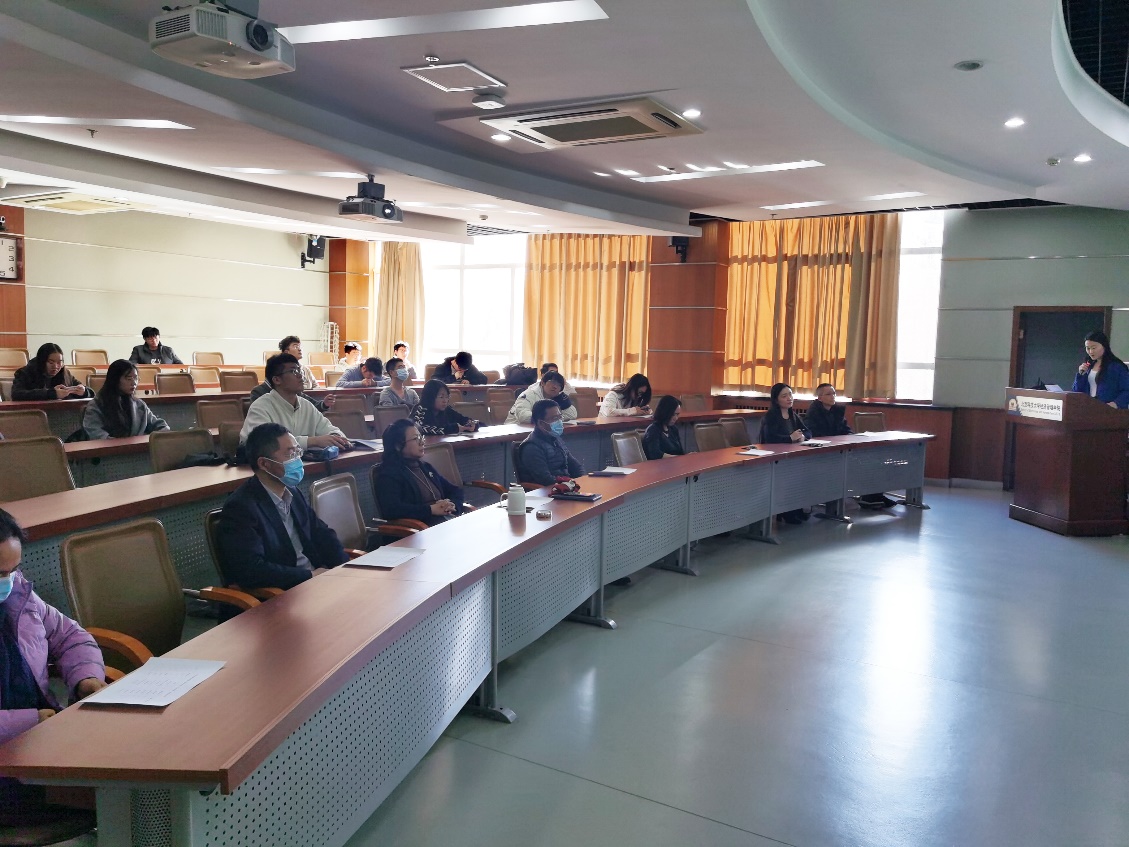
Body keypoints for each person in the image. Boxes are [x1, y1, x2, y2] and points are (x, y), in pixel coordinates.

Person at [0, 507, 106, 749]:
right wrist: (27, 721)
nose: (8, 582)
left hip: (41, 736)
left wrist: (86, 677)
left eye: (13, 571)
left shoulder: (19, 596)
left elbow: (70, 636)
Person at [215, 424, 347, 591]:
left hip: (315, 583)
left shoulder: (293, 492)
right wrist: (309, 576)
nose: (297, 460)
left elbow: (322, 534)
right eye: (290, 454)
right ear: (264, 464)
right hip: (283, 593)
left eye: (297, 452)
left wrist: (345, 570)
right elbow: (252, 570)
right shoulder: (241, 508)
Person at [807, 384, 894, 508]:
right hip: (825, 453)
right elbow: (815, 434)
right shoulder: (813, 413)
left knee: (873, 460)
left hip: (842, 449)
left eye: (834, 393)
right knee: (862, 463)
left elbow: (845, 429)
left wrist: (853, 437)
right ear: (820, 398)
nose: (833, 396)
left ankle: (873, 496)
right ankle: (868, 496)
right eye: (828, 394)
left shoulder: (837, 411)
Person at [240, 354, 351, 450]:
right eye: (293, 371)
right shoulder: (260, 407)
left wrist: (335, 437)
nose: (300, 375)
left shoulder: (306, 405)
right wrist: (313, 441)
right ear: (277, 380)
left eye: (299, 370)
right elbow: (265, 444)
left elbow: (330, 429)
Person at [373, 419, 466, 527]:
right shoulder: (389, 474)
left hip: (444, 523)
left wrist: (452, 505)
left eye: (421, 437)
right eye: (415, 439)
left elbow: (455, 490)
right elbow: (392, 510)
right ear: (398, 446)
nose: (422, 442)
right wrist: (430, 510)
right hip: (418, 531)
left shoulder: (425, 467)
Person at [760, 382, 811, 524]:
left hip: (791, 456)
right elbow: (769, 439)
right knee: (790, 476)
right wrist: (790, 438)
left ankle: (795, 509)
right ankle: (787, 511)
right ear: (776, 400)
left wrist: (803, 436)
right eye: (784, 396)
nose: (789, 398)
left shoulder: (793, 415)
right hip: (776, 458)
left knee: (801, 474)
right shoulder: (771, 416)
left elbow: (808, 431)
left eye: (790, 394)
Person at [82, 359, 170, 439]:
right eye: (129, 378)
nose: (134, 382)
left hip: (138, 449)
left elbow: (159, 425)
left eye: (136, 378)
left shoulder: (139, 404)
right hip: (109, 450)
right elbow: (95, 433)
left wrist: (158, 437)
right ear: (115, 379)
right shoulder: (96, 405)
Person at [516, 399, 584, 484]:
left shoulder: (556, 439)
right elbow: (545, 480)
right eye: (555, 418)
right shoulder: (531, 447)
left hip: (566, 486)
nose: (559, 421)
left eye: (560, 417)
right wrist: (570, 484)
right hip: (548, 490)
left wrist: (582, 481)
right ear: (541, 423)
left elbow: (576, 466)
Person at [11, 343, 90, 401]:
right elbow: (16, 394)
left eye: (59, 362)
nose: (55, 366)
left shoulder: (65, 373)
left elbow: (90, 391)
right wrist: (52, 394)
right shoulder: (25, 373)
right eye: (51, 362)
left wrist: (84, 392)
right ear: (42, 361)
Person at [1071, 330, 1129, 408]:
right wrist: (1081, 375)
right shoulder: (1088, 366)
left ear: (1104, 346)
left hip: (1110, 410)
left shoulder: (1116, 367)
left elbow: (1127, 390)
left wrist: (1115, 403)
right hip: (1089, 408)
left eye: (1094, 348)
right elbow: (1076, 392)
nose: (1091, 351)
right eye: (1088, 348)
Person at [506, 371, 577, 425]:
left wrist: (555, 418)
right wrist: (549, 418)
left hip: (539, 428)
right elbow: (523, 416)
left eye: (559, 385)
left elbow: (572, 414)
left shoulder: (558, 397)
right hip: (515, 428)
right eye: (552, 382)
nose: (555, 387)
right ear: (542, 383)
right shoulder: (529, 394)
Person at [412, 379, 479, 435]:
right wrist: (455, 428)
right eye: (441, 397)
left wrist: (471, 424)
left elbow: (463, 419)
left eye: (447, 397)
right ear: (430, 397)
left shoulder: (446, 410)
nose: (445, 401)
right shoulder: (420, 410)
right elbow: (421, 429)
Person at [642, 395, 685, 459]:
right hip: (659, 464)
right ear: (665, 412)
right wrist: (678, 458)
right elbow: (655, 454)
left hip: (675, 463)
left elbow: (680, 452)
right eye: (673, 414)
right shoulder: (653, 430)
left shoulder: (673, 429)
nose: (676, 418)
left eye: (677, 414)